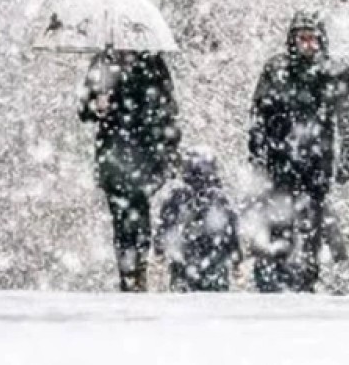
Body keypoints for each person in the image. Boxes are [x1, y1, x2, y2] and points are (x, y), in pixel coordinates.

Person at [247, 10, 349, 292]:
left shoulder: (334, 72)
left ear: (321, 41)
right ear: (292, 41)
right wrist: (257, 153)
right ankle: (277, 274)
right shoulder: (276, 70)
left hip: (317, 161)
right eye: (302, 39)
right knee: (280, 220)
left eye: (312, 39)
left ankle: (307, 277)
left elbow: (348, 118)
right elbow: (258, 115)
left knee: (313, 223)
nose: (307, 45)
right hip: (280, 159)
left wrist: (348, 155)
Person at [78, 47, 180, 292]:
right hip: (114, 153)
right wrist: (96, 105)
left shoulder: (154, 64)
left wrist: (169, 149)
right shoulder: (102, 63)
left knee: (138, 211)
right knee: (121, 216)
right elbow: (84, 109)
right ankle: (128, 273)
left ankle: (137, 270)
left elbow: (168, 110)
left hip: (145, 152)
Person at [154, 147, 241, 292]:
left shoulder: (177, 196)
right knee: (215, 305)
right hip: (215, 266)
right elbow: (231, 231)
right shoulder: (220, 198)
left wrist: (159, 249)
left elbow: (165, 225)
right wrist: (236, 257)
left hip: (183, 264)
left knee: (183, 305)